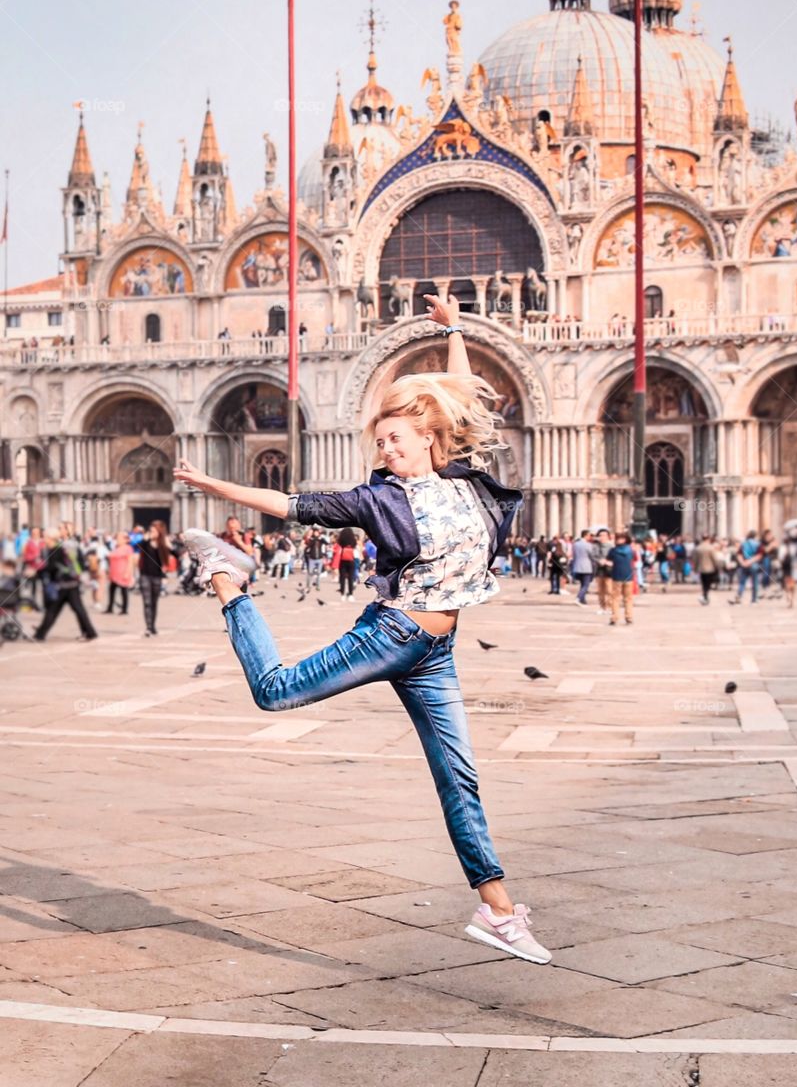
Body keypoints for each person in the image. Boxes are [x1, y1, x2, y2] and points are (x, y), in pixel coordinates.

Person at [173, 292, 551, 965]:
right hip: (392, 635)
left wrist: (455, 328)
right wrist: (216, 487)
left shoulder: (463, 476)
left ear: (429, 438)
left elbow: (460, 397)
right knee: (275, 691)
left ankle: (497, 913)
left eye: (395, 439)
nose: (386, 449)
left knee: (458, 778)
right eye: (379, 442)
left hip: (435, 651)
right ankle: (229, 578)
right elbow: (293, 503)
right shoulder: (378, 499)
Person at [32, 528, 98, 642]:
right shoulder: (60, 549)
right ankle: (90, 632)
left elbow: (52, 567)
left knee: (54, 610)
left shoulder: (56, 550)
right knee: (74, 609)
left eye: (45, 537)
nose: (44, 539)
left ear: (50, 538)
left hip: (64, 585)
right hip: (70, 583)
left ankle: (40, 635)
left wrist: (37, 572)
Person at [139, 520, 171, 636]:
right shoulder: (146, 543)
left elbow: (177, 554)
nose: (151, 532)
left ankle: (152, 626)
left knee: (154, 602)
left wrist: (168, 545)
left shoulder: (163, 545)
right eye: (150, 530)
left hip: (157, 577)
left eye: (153, 530)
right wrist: (146, 537)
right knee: (147, 602)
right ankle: (148, 627)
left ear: (159, 532)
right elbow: (138, 546)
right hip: (145, 576)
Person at [604, 530, 635, 625]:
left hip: (617, 576)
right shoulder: (630, 550)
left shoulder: (613, 551)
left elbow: (608, 560)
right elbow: (633, 559)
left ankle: (614, 617)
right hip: (628, 576)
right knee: (628, 598)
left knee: (615, 598)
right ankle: (629, 617)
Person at [106, 530, 137, 615]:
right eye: (117, 538)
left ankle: (124, 609)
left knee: (124, 591)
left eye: (119, 538)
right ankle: (110, 608)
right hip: (114, 573)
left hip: (122, 573)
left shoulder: (128, 548)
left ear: (125, 539)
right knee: (111, 590)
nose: (117, 539)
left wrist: (128, 573)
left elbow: (130, 561)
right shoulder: (116, 547)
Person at [731, 530, 762, 604]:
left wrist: (743, 563)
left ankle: (739, 596)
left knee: (742, 582)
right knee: (755, 583)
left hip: (744, 565)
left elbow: (739, 554)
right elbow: (759, 555)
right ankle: (754, 599)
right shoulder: (758, 544)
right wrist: (750, 562)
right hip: (754, 565)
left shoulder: (743, 544)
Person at [571, 529, 594, 606]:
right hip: (586, 566)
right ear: (586, 535)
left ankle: (583, 600)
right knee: (586, 585)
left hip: (577, 565)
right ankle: (578, 598)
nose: (590, 537)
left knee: (582, 584)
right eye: (589, 535)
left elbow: (574, 555)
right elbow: (592, 556)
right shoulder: (588, 545)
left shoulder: (575, 544)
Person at [695, 534, 718, 605]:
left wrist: (695, 568)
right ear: (708, 539)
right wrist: (717, 567)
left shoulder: (698, 548)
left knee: (704, 583)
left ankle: (705, 595)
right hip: (710, 568)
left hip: (701, 568)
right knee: (708, 584)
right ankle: (705, 595)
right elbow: (714, 559)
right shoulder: (711, 548)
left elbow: (696, 560)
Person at [336, 526, 357, 599]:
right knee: (351, 578)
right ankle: (351, 594)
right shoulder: (353, 540)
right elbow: (355, 546)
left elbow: (338, 544)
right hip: (351, 560)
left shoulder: (341, 540)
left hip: (343, 559)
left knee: (342, 578)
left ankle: (342, 594)